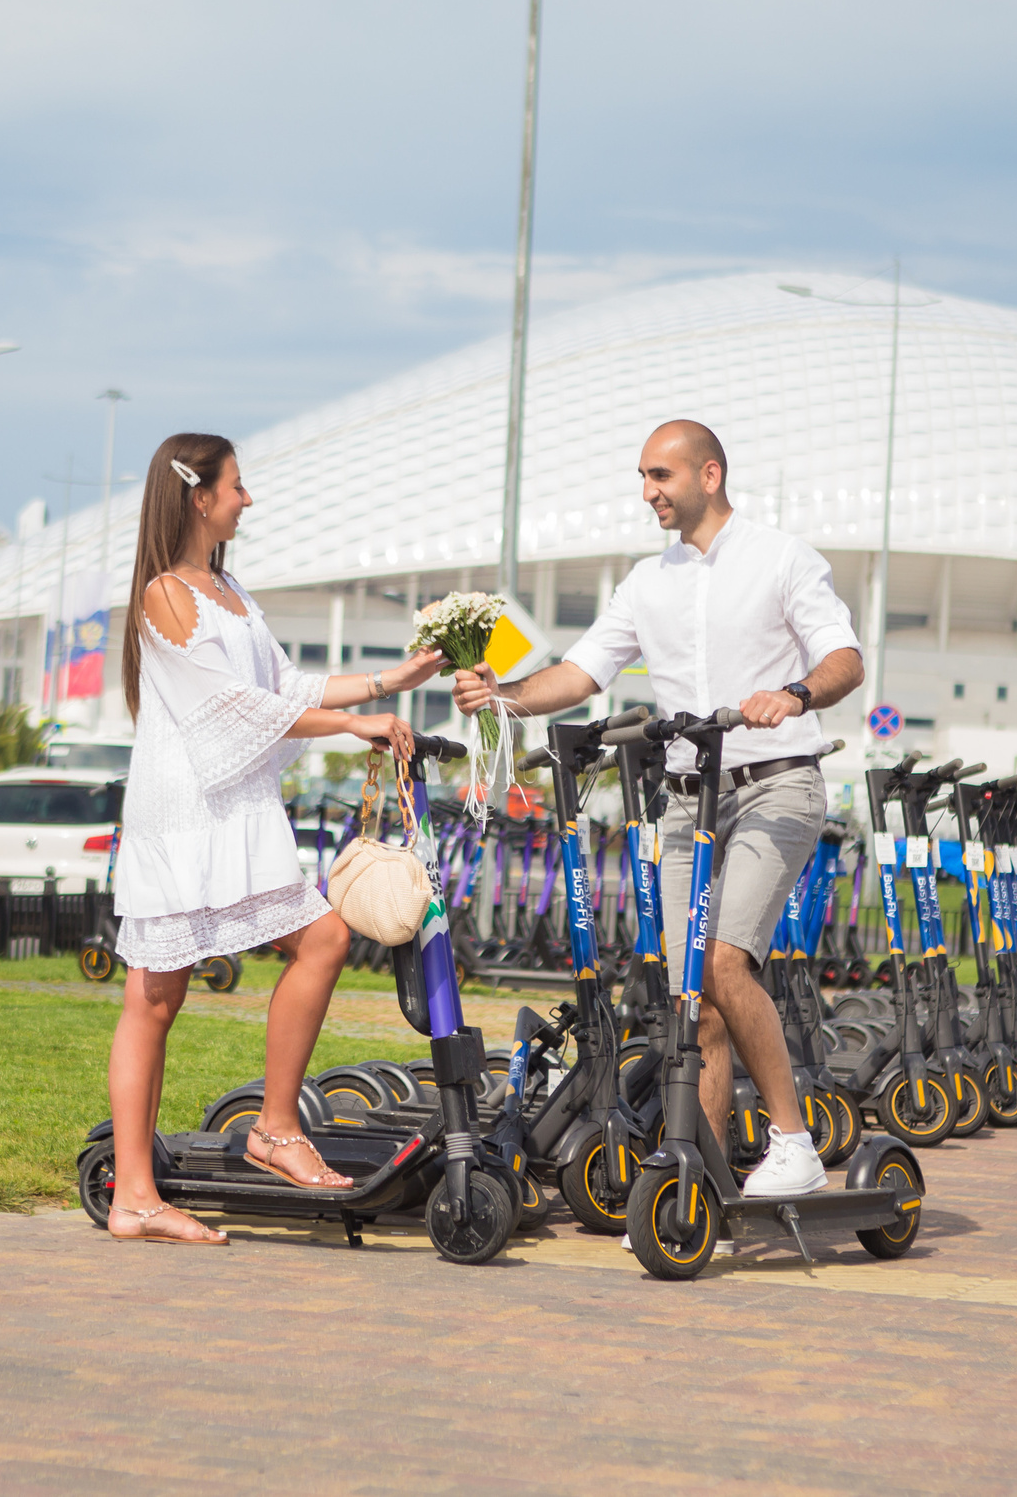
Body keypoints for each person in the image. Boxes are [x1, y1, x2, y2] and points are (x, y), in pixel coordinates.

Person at [456, 419, 864, 1213]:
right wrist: (500, 695)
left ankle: (793, 1143)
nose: (648, 492)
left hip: (776, 785)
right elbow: (581, 672)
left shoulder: (781, 557)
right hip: (688, 799)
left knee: (718, 963)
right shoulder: (648, 582)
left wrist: (795, 694)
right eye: (642, 477)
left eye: (661, 476)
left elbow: (844, 656)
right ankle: (697, 1174)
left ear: (709, 474)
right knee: (689, 996)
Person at [105, 432, 446, 1245]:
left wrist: (390, 682)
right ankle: (138, 1197)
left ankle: (277, 1126)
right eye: (238, 485)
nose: (247, 499)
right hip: (186, 813)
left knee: (322, 936)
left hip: (238, 809)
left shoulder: (228, 590)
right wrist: (350, 721)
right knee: (155, 996)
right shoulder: (164, 595)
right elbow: (232, 707)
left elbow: (282, 687)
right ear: (200, 496)